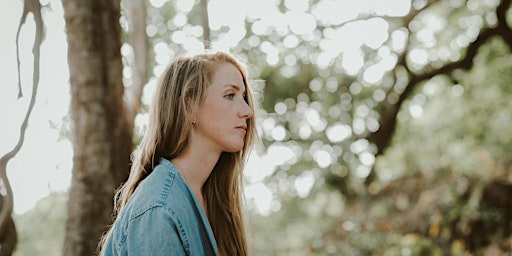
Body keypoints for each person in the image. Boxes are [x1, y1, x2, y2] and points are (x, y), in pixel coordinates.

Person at [98, 51, 259, 256]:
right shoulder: (159, 208)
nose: (247, 111)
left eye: (244, 97)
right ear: (189, 105)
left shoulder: (211, 197)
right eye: (230, 95)